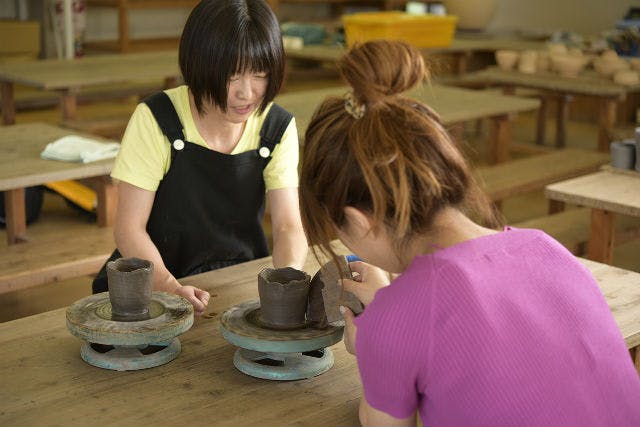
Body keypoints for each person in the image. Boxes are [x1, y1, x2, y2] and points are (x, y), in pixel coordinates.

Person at [299, 39, 640, 427]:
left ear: (358, 221)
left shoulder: (394, 323)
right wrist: (393, 309)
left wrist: (379, 339)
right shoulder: (546, 248)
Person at [92, 0, 308, 316]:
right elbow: (129, 229)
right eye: (232, 75)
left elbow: (288, 225)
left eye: (260, 74)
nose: (247, 93)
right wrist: (169, 287)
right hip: (155, 277)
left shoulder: (276, 126)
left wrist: (288, 280)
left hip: (235, 275)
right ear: (200, 64)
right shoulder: (156, 118)